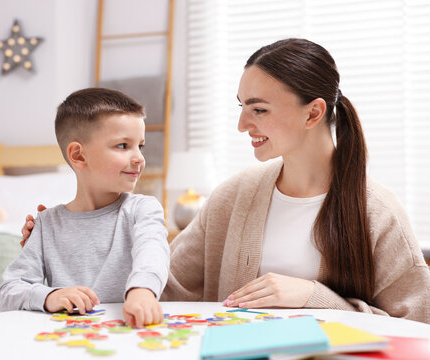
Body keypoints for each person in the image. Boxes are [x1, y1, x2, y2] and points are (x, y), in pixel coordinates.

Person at [22, 39, 430, 324]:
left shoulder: (377, 211)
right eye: (242, 107)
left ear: (313, 113)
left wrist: (314, 298)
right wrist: (66, 239)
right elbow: (159, 286)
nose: (242, 124)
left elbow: (415, 326)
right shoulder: (236, 196)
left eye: (259, 109)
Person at [0, 88, 170, 329]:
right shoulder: (46, 224)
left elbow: (153, 253)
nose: (139, 158)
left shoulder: (143, 209)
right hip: (68, 341)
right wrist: (49, 296)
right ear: (78, 155)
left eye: (139, 146)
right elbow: (9, 289)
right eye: (123, 145)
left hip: (132, 332)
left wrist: (142, 291)